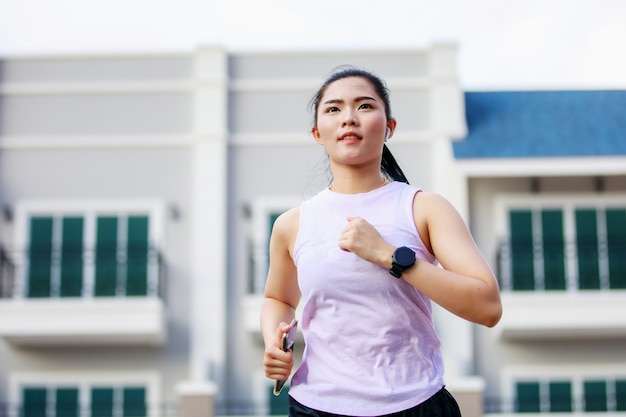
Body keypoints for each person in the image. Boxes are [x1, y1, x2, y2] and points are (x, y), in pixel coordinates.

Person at [261, 66, 502, 417]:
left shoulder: (423, 208)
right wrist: (274, 341)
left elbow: (488, 307)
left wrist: (389, 256)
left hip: (415, 403)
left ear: (389, 127)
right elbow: (278, 298)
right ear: (317, 133)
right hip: (316, 406)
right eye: (333, 109)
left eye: (364, 106)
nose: (348, 118)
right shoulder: (292, 224)